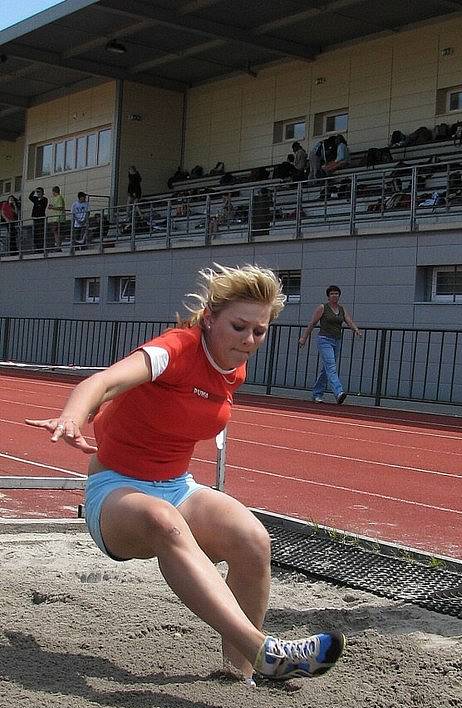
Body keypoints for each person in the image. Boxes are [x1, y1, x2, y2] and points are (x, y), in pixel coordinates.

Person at [25, 264, 345, 684]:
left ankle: (241, 674)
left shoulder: (234, 365)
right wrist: (73, 416)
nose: (249, 341)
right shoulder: (175, 349)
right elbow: (103, 382)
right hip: (118, 490)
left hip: (177, 487)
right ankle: (264, 650)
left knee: (253, 539)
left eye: (260, 332)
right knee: (164, 522)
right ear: (209, 317)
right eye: (239, 326)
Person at [299, 285, 362, 404]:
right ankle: (339, 392)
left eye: (336, 294)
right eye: (332, 294)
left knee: (327, 368)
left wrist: (356, 329)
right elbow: (312, 323)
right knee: (331, 367)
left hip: (336, 340)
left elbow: (348, 320)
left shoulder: (342, 309)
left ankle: (317, 393)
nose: (334, 296)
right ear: (328, 296)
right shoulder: (323, 308)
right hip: (324, 340)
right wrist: (304, 338)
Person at [28, 187, 48, 251]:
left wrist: (40, 198)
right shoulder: (35, 199)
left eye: (39, 192)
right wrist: (34, 191)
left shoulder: (44, 199)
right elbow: (30, 197)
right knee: (36, 233)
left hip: (41, 217)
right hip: (35, 218)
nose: (38, 193)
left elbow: (43, 206)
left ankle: (41, 248)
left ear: (42, 192)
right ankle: (36, 248)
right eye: (37, 192)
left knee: (41, 233)